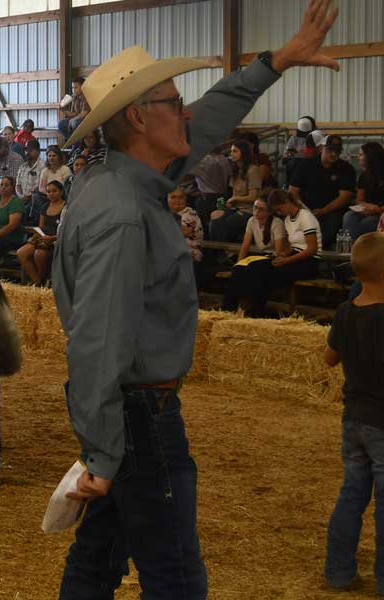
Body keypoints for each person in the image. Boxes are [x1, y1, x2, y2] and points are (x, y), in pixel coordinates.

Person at [52, 1, 340, 595]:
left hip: (130, 412)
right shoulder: (123, 211)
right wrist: (103, 452)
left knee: (99, 559)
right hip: (139, 417)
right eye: (173, 102)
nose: (187, 111)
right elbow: (97, 339)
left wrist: (276, 62)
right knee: (176, 576)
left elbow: (206, 118)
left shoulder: (116, 180)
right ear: (138, 117)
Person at [323, 231, 384, 594]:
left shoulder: (346, 312)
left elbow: (329, 358)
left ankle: (338, 572)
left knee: (352, 494)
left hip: (354, 418)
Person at [221, 193, 291, 314]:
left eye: (261, 209)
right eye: (255, 207)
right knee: (238, 269)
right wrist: (238, 263)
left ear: (269, 212)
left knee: (253, 271)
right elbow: (245, 245)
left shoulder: (276, 223)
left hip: (274, 257)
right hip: (261, 256)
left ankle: (252, 309)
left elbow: (279, 251)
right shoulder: (251, 221)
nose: (256, 211)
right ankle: (228, 308)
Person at [289, 133, 356, 250]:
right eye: (330, 150)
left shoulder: (346, 169)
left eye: (337, 151)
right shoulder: (305, 165)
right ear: (321, 148)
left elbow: (344, 197)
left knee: (332, 224)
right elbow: (293, 191)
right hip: (305, 209)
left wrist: (324, 210)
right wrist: (303, 210)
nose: (334, 154)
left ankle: (313, 249)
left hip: (332, 210)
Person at [209, 139, 261, 242]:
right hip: (236, 208)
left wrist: (235, 198)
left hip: (248, 210)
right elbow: (234, 194)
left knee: (225, 222)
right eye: (231, 151)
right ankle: (218, 247)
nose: (231, 154)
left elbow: (253, 197)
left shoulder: (253, 170)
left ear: (243, 153)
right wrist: (229, 203)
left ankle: (223, 248)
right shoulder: (235, 170)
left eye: (235, 151)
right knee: (214, 215)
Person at [18, 180, 65, 285]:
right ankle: (37, 282)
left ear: (61, 192)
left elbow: (66, 230)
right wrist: (34, 236)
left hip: (56, 240)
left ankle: (41, 280)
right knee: (21, 253)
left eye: (54, 191)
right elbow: (41, 227)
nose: (51, 194)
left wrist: (52, 238)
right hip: (43, 238)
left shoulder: (66, 207)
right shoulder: (45, 206)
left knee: (39, 254)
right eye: (48, 191)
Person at [343, 142, 384, 241]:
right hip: (368, 210)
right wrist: (368, 206)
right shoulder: (364, 176)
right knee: (349, 216)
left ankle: (356, 246)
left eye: (361, 154)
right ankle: (349, 246)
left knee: (365, 224)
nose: (358, 157)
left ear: (370, 156)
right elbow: (359, 200)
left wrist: (378, 209)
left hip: (381, 212)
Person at [188, 143, 232, 228]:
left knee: (205, 225)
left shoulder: (204, 161)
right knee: (216, 224)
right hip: (222, 197)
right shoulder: (224, 159)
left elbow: (186, 169)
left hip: (207, 199)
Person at [0, 175, 24, 260]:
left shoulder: (16, 202)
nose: (3, 187)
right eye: (1, 184)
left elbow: (11, 226)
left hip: (9, 238)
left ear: (12, 187)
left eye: (6, 185)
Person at [168, 186, 203, 263]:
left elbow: (180, 233)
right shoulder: (165, 212)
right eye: (173, 197)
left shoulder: (190, 213)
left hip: (190, 250)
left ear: (185, 199)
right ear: (167, 199)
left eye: (181, 197)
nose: (177, 200)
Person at [37, 145, 72, 223]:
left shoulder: (65, 169)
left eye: (54, 156)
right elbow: (41, 188)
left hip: (62, 195)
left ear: (59, 157)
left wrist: (55, 193)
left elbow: (66, 187)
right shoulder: (45, 170)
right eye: (49, 156)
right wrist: (50, 193)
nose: (51, 158)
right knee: (36, 196)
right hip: (47, 195)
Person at [16, 139, 45, 216]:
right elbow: (18, 185)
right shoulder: (22, 166)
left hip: (35, 201)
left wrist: (28, 197)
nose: (27, 152)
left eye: (30, 150)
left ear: (38, 151)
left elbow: (40, 187)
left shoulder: (43, 167)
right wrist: (21, 196)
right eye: (26, 150)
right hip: (22, 200)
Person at [58, 76, 90, 144]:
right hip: (77, 119)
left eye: (76, 87)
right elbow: (74, 114)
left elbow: (85, 113)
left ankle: (80, 144)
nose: (73, 90)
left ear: (83, 87)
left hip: (87, 119)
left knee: (74, 122)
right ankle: (74, 143)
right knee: (61, 123)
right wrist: (63, 110)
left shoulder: (86, 96)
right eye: (72, 88)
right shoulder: (74, 97)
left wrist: (73, 119)